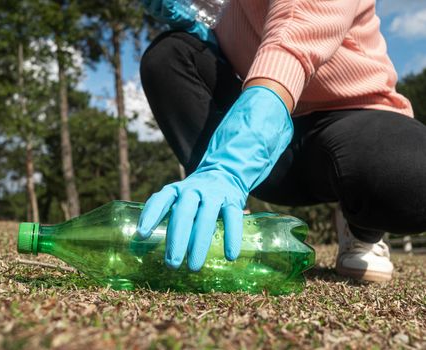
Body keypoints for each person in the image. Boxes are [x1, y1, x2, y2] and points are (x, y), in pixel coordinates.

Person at [136, 0, 426, 282]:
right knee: (170, 54)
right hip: (273, 146)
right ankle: (227, 218)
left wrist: (228, 166)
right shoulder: (223, 6)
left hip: (356, 120)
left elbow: (292, 41)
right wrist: (195, 23)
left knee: (411, 176)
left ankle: (363, 229)